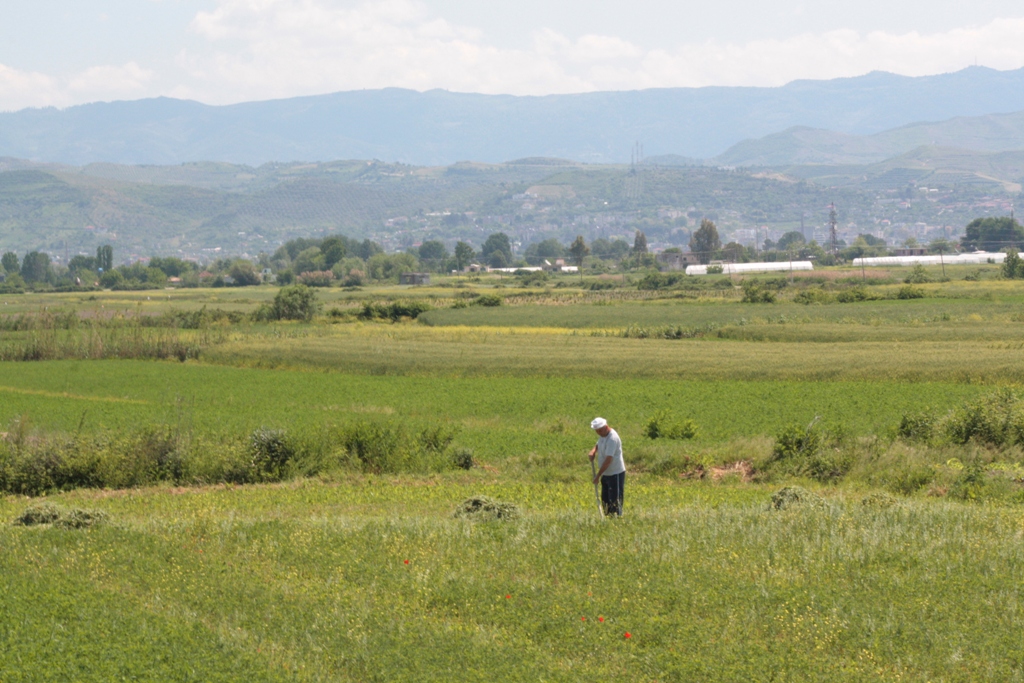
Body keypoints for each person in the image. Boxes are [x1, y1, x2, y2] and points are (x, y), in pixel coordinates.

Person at [588, 417, 626, 517]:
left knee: (615, 500)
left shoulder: (612, 438)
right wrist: (593, 451)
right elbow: (598, 444)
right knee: (605, 499)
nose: (599, 433)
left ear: (606, 427)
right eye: (597, 431)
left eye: (600, 430)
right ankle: (608, 518)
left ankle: (616, 519)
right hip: (605, 473)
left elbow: (608, 460)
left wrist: (597, 476)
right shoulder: (603, 435)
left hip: (615, 473)